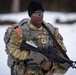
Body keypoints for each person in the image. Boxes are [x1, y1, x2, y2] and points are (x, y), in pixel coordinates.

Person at [4, 0, 69, 75]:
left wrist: (54, 58)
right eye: (36, 13)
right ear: (30, 15)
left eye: (41, 13)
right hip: (27, 71)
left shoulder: (51, 30)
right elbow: (12, 50)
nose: (39, 16)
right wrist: (31, 55)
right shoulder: (21, 31)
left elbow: (61, 49)